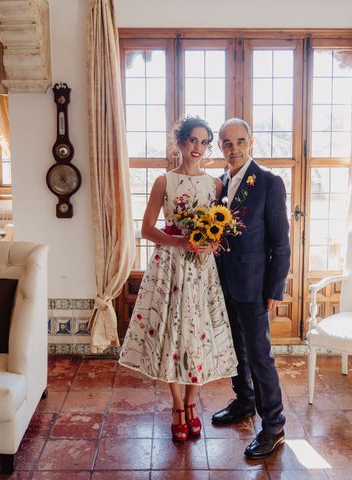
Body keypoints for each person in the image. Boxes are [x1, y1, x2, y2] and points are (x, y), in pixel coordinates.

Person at [119, 116, 238, 442]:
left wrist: (212, 242)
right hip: (171, 266)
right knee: (173, 334)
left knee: (197, 335)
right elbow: (146, 229)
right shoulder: (164, 182)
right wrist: (179, 242)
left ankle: (192, 403)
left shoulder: (215, 185)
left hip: (201, 270)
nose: (198, 148)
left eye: (204, 142)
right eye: (192, 141)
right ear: (180, 143)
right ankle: (176, 406)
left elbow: (217, 225)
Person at [212, 118, 291, 459]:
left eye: (240, 141)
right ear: (220, 146)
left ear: (251, 142)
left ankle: (273, 426)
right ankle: (244, 401)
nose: (234, 149)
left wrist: (275, 287)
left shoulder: (270, 183)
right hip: (224, 281)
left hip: (255, 284)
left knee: (260, 355)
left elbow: (281, 242)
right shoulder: (220, 183)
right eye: (227, 143)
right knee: (235, 349)